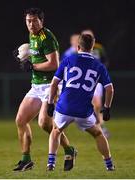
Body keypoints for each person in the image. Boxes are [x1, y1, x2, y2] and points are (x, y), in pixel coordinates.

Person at [13, 7, 76, 172]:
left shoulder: (46, 37)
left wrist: (32, 65)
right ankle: (26, 160)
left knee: (44, 124)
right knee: (20, 120)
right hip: (36, 86)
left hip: (51, 86)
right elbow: (35, 55)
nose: (31, 24)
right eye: (28, 21)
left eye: (34, 20)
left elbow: (54, 64)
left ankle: (69, 150)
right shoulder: (32, 35)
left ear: (41, 21)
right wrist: (23, 56)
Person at [46, 34, 115, 171]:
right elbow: (110, 89)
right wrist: (107, 108)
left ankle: (51, 163)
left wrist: (49, 102)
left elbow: (54, 83)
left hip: (64, 107)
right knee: (98, 134)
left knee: (56, 130)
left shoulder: (68, 60)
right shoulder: (98, 65)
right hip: (83, 111)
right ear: (92, 47)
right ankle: (109, 165)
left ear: (78, 47)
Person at [81, 29, 110, 137]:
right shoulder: (80, 48)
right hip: (86, 80)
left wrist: (102, 72)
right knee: (94, 103)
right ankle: (96, 126)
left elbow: (105, 60)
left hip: (96, 79)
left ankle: (98, 126)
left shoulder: (99, 47)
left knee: (97, 105)